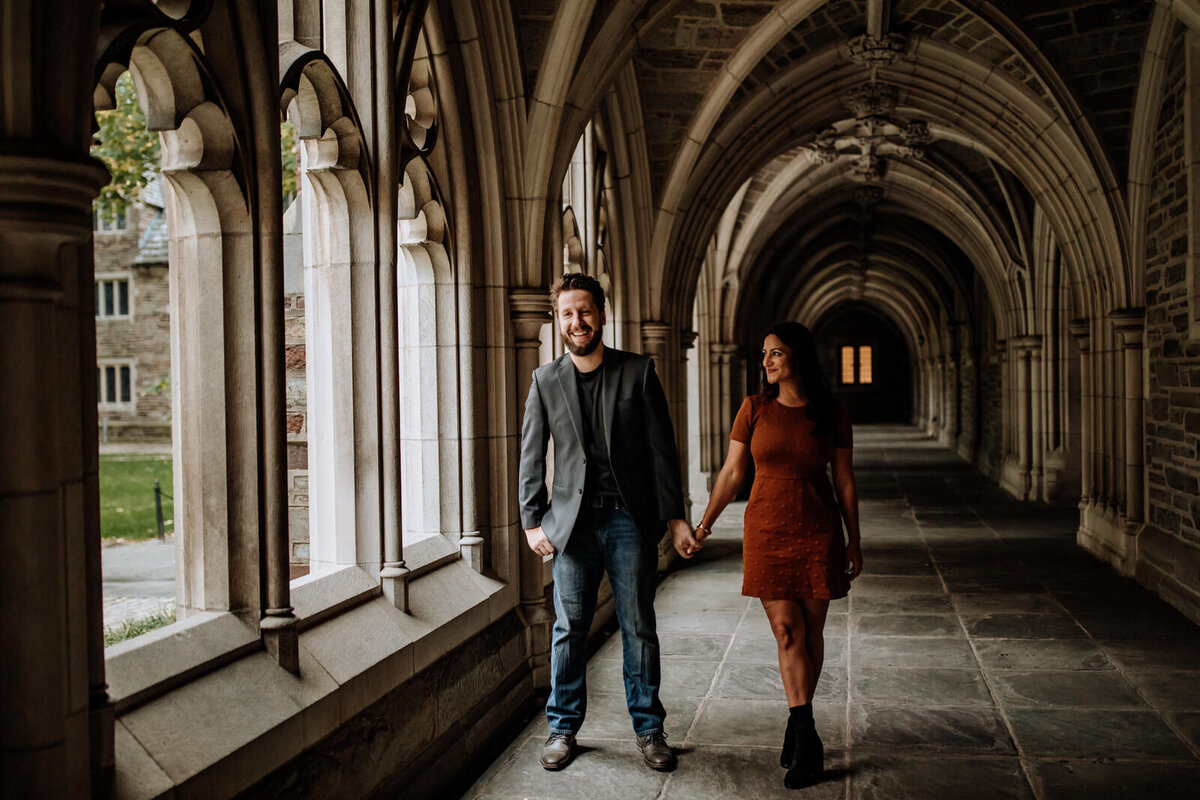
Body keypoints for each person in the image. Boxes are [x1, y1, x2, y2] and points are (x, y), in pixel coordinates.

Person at [518, 272, 700, 773]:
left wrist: (676, 519)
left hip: (627, 522)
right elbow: (531, 455)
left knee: (638, 626)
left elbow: (662, 454)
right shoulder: (545, 380)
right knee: (569, 627)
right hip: (570, 526)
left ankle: (649, 729)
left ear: (601, 313)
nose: (577, 321)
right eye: (567, 313)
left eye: (585, 311)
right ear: (559, 321)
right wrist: (532, 520)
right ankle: (562, 728)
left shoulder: (638, 373)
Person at [692, 321, 863, 790]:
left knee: (811, 634)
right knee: (786, 631)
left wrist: (854, 538)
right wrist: (705, 525)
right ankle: (807, 735)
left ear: (798, 359)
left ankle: (797, 724)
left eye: (776, 353)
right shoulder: (754, 409)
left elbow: (844, 479)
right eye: (764, 354)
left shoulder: (831, 412)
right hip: (767, 529)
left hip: (818, 529)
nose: (766, 362)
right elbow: (731, 473)